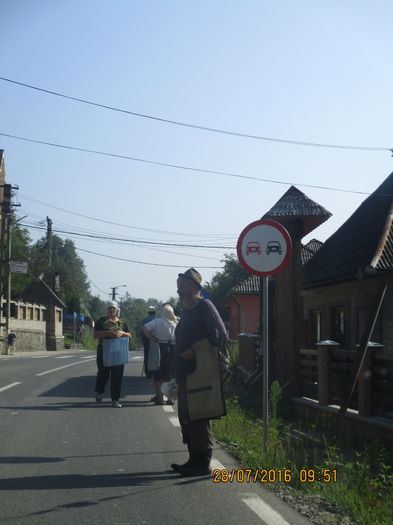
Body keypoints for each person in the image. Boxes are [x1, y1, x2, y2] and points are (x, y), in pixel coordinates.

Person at [171, 268, 228, 477]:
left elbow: (220, 335)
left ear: (194, 286)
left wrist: (195, 350)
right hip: (186, 372)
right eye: (178, 284)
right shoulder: (187, 311)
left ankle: (202, 463)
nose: (179, 288)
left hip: (201, 372)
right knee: (187, 417)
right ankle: (193, 460)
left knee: (199, 416)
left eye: (183, 284)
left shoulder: (205, 305)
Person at [94, 301, 132, 408]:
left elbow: (130, 335)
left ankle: (115, 399)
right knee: (103, 374)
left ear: (116, 310)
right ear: (107, 309)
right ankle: (99, 391)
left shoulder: (122, 323)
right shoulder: (101, 321)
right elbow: (95, 335)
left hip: (118, 352)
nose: (112, 310)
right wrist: (107, 333)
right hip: (104, 351)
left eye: (114, 308)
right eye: (110, 308)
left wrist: (123, 333)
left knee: (117, 376)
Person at [142, 304, 177, 405]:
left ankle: (160, 399)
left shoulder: (158, 321)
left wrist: (152, 338)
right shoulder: (176, 323)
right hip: (173, 349)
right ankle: (171, 399)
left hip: (160, 348)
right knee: (172, 375)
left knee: (158, 375)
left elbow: (144, 328)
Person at [139, 305, 156, 378]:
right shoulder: (157, 319)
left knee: (147, 356)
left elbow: (141, 331)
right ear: (154, 312)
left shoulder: (144, 320)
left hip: (146, 339)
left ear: (148, 312)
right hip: (155, 339)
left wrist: (140, 340)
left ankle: (148, 373)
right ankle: (154, 372)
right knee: (155, 356)